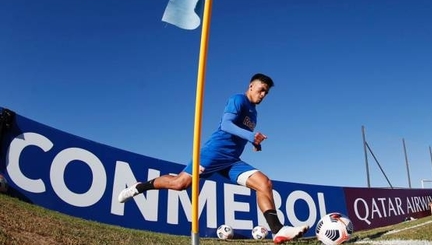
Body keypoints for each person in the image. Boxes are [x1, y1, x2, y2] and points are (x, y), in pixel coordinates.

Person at [117, 73, 308, 243]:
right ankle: (139, 187)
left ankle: (278, 230)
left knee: (264, 183)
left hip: (232, 160)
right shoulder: (238, 99)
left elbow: (240, 133)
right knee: (179, 184)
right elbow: (226, 124)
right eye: (261, 90)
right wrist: (251, 136)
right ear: (251, 86)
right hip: (213, 153)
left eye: (266, 93)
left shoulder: (254, 113)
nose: (263, 95)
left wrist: (255, 143)